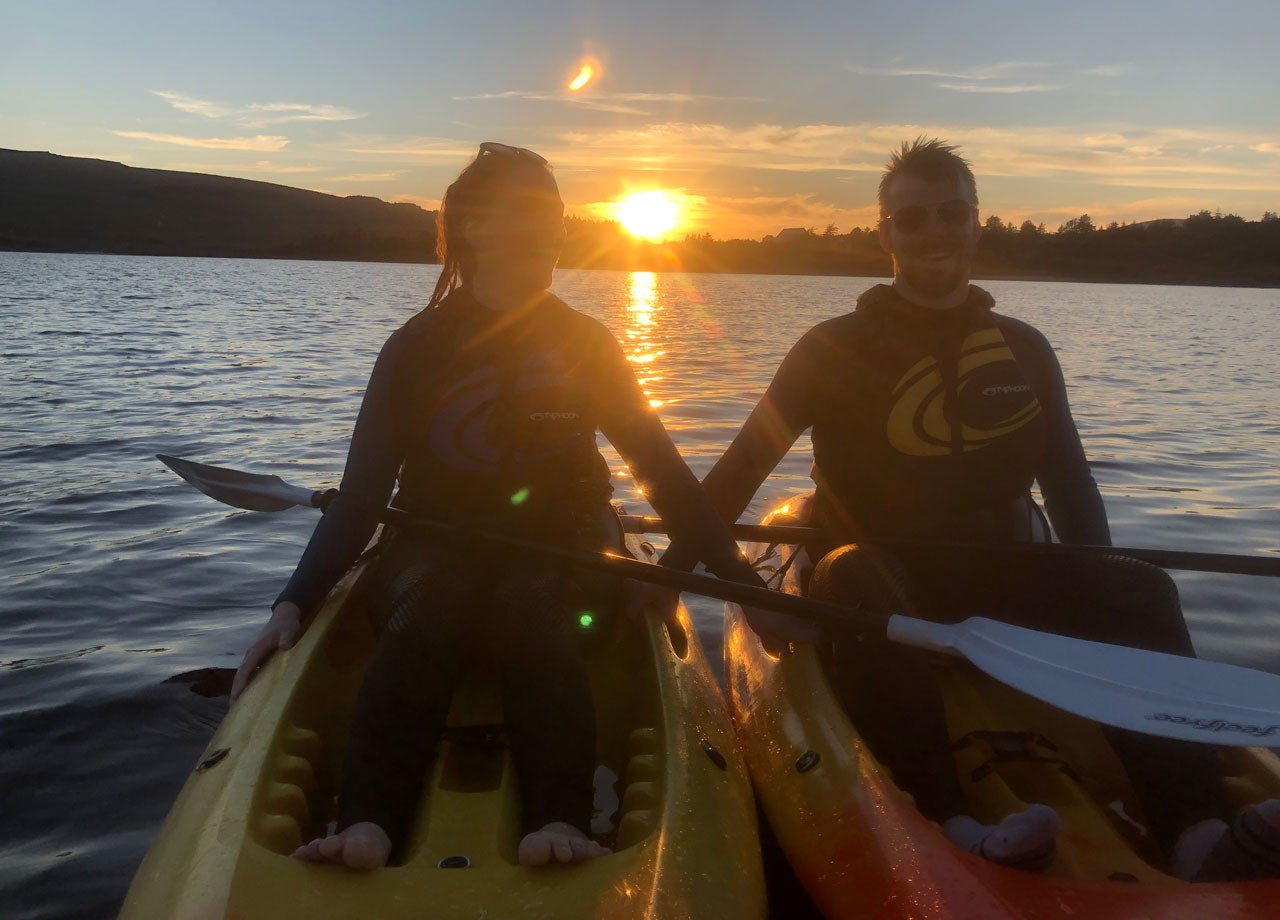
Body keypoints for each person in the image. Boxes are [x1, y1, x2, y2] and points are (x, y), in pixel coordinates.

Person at [663, 138, 1280, 881]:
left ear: (975, 223)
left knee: (1141, 585)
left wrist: (1098, 584)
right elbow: (732, 479)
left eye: (950, 212)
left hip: (1004, 574)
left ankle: (1196, 831)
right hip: (882, 588)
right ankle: (953, 820)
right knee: (856, 573)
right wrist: (722, 585)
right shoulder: (829, 348)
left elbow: (1071, 488)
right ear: (885, 234)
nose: (934, 231)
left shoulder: (1025, 348)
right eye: (912, 217)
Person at [230, 142, 764, 871]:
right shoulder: (414, 348)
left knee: (530, 604)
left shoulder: (586, 343)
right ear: (473, 225)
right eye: (528, 210)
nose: (551, 227)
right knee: (434, 600)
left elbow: (670, 484)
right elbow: (360, 500)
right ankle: (367, 823)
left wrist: (739, 586)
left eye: (556, 211)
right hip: (433, 546)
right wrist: (292, 603)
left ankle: (557, 818)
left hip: (565, 546)